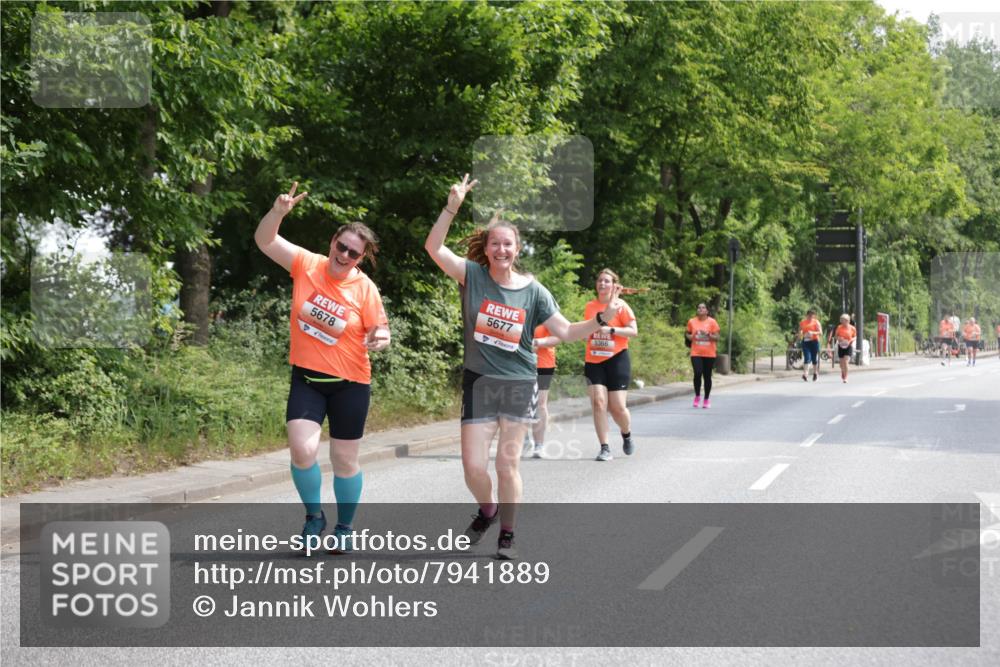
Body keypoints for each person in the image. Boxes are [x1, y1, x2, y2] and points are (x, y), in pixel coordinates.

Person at [424, 174, 622, 560]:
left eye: (508, 244)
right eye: (494, 243)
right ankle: (488, 511)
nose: (501, 249)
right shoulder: (472, 275)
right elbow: (433, 248)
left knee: (507, 463)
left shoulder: (534, 291)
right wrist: (452, 207)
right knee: (472, 466)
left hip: (518, 382)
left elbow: (565, 331)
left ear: (517, 249)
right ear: (487, 247)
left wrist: (601, 319)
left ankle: (507, 534)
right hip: (479, 381)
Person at [254, 182, 390, 553]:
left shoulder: (365, 289)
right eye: (341, 246)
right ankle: (314, 516)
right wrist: (277, 212)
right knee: (302, 450)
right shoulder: (306, 264)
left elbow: (381, 331)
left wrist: (380, 340)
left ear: (361, 258)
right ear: (332, 242)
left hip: (351, 383)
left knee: (344, 460)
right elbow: (266, 242)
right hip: (308, 378)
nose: (344, 255)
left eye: (353, 253)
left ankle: (345, 527)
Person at [583, 269, 638, 461]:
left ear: (614, 285)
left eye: (607, 281)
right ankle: (604, 447)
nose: (602, 284)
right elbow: (585, 329)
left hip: (617, 358)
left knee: (617, 408)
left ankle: (626, 432)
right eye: (600, 281)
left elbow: (633, 331)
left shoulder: (621, 305)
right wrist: (586, 333)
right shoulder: (590, 306)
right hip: (594, 359)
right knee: (598, 403)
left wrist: (611, 330)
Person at [527, 323, 557, 459]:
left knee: (539, 403)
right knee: (519, 402)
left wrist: (536, 342)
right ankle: (523, 439)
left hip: (543, 364)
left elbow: (557, 337)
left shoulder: (546, 312)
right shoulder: (518, 307)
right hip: (520, 364)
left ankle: (539, 445)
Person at [686, 303, 720, 408]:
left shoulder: (712, 322)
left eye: (703, 308)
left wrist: (709, 335)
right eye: (699, 307)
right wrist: (692, 336)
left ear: (707, 311)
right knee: (697, 373)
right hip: (696, 352)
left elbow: (717, 337)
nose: (701, 309)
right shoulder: (692, 321)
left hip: (709, 353)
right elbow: (687, 334)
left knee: (707, 376)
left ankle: (706, 399)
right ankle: (697, 396)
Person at [797, 309, 823, 382]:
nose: (811, 316)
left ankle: (815, 373)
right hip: (806, 341)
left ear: (814, 316)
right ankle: (805, 374)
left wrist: (813, 333)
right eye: (809, 315)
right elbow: (800, 331)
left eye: (812, 315)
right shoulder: (803, 322)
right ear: (807, 315)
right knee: (807, 357)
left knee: (814, 358)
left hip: (814, 341)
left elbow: (821, 333)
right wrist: (801, 333)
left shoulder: (816, 322)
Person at [830, 313, 857, 383]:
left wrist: (851, 340)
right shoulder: (839, 327)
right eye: (841, 320)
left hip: (848, 346)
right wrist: (839, 338)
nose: (841, 321)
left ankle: (846, 377)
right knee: (841, 364)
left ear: (847, 320)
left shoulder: (852, 328)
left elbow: (855, 337)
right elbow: (835, 336)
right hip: (841, 346)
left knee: (846, 362)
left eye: (843, 320)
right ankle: (843, 371)